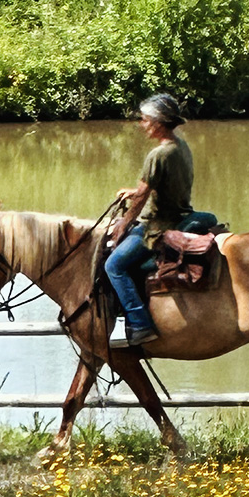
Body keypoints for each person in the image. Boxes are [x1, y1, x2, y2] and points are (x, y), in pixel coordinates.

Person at [103, 93, 194, 349]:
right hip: (182, 215)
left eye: (145, 120)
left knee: (114, 265)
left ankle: (139, 323)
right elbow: (160, 187)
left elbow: (143, 197)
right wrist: (134, 192)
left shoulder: (158, 154)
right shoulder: (181, 146)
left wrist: (123, 224)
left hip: (159, 225)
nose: (142, 125)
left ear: (158, 122)